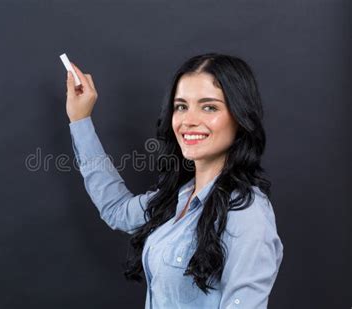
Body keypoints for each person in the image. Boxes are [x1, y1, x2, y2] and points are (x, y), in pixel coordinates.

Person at [65, 53, 283, 308]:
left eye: (209, 107)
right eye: (181, 106)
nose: (188, 121)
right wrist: (80, 120)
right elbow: (117, 210)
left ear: (240, 117)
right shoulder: (180, 197)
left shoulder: (246, 213)